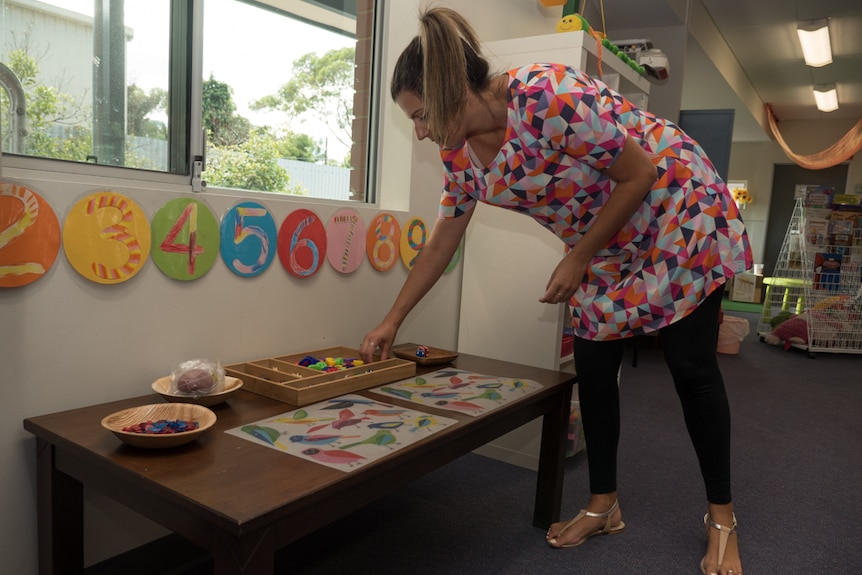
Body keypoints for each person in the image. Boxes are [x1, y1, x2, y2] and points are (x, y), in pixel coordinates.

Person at [359, 7, 750, 575]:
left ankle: (722, 518)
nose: (419, 131)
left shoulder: (546, 96)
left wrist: (579, 256)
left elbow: (638, 174)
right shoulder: (458, 153)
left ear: (450, 91)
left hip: (676, 212)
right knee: (592, 367)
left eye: (420, 116)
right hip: (605, 242)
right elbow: (444, 239)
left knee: (691, 367)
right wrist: (392, 318)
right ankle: (604, 503)